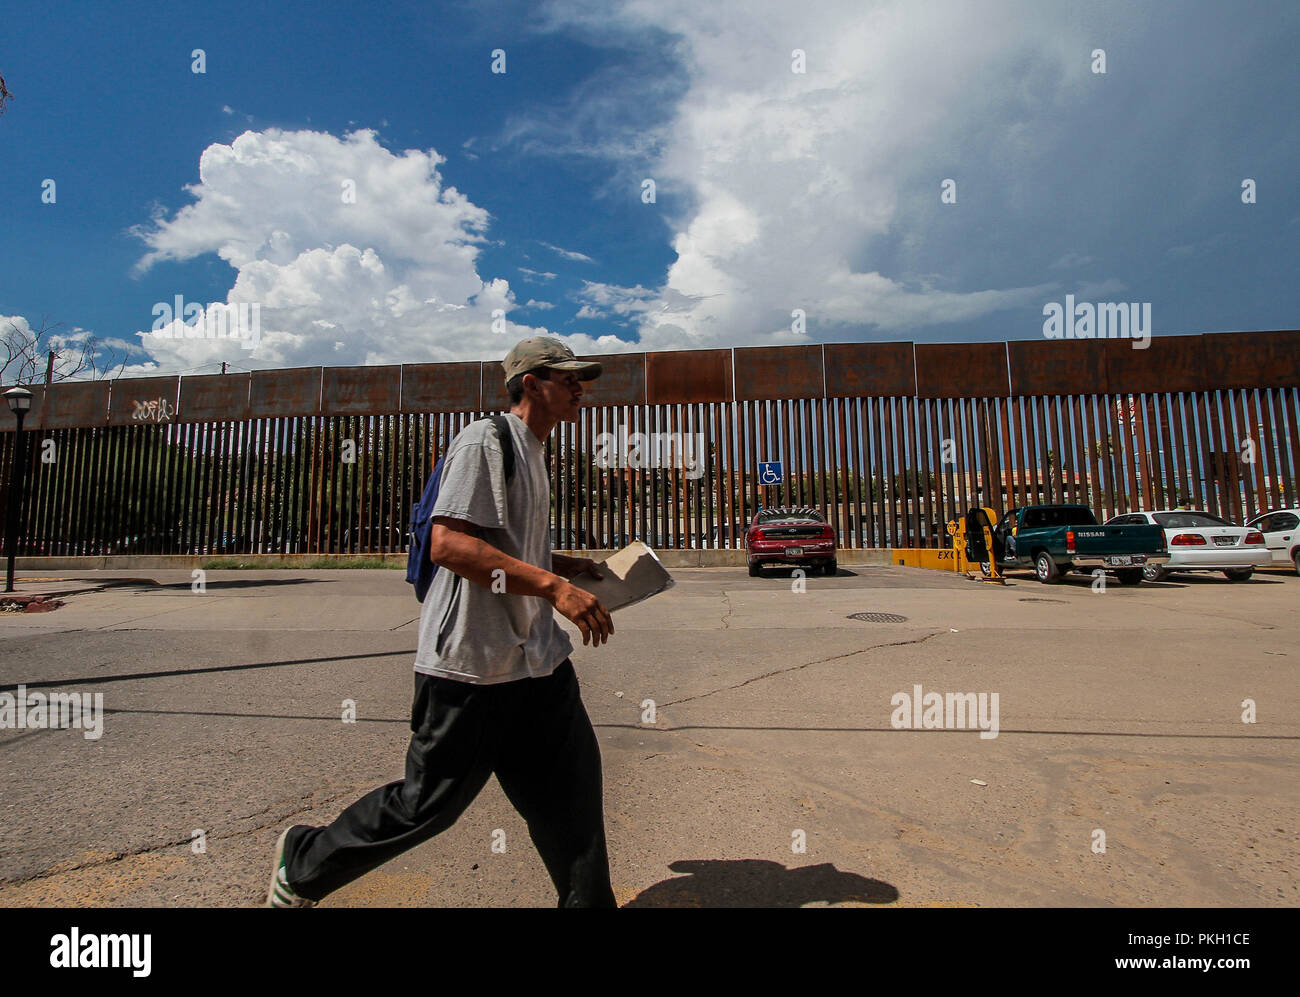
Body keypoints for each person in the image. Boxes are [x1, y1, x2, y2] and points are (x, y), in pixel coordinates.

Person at [266, 337, 618, 908]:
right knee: (427, 805)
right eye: (568, 378)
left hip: (538, 664)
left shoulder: (534, 452)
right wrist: (555, 588)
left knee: (570, 799)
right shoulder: (486, 440)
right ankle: (302, 862)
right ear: (531, 383)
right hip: (471, 669)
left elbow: (503, 548)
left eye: (582, 379)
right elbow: (449, 544)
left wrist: (565, 564)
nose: (580, 388)